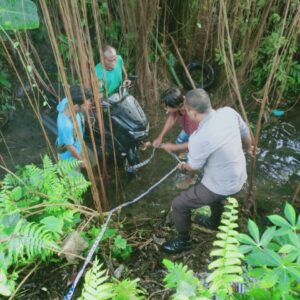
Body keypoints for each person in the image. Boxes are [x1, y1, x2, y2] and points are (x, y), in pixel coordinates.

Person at [162, 88, 253, 254]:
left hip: (222, 185)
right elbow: (245, 133)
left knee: (179, 205)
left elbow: (194, 168)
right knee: (213, 191)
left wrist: (184, 166)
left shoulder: (199, 137)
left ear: (191, 111)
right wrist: (249, 149)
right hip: (240, 176)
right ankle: (215, 222)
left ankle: (184, 241)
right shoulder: (228, 113)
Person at [152, 87, 198, 189]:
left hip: (199, 136)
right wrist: (160, 137)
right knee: (180, 140)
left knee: (192, 161)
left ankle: (191, 179)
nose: (165, 109)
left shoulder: (192, 116)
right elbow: (172, 118)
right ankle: (186, 152)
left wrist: (174, 147)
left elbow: (196, 142)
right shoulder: (180, 101)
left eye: (166, 107)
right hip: (189, 131)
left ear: (176, 105)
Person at [56, 86, 93, 167]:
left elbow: (58, 107)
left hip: (78, 142)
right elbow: (70, 147)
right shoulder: (66, 126)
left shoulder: (68, 100)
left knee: (92, 162)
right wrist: (81, 161)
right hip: (68, 157)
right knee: (76, 177)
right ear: (76, 106)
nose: (89, 104)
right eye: (85, 105)